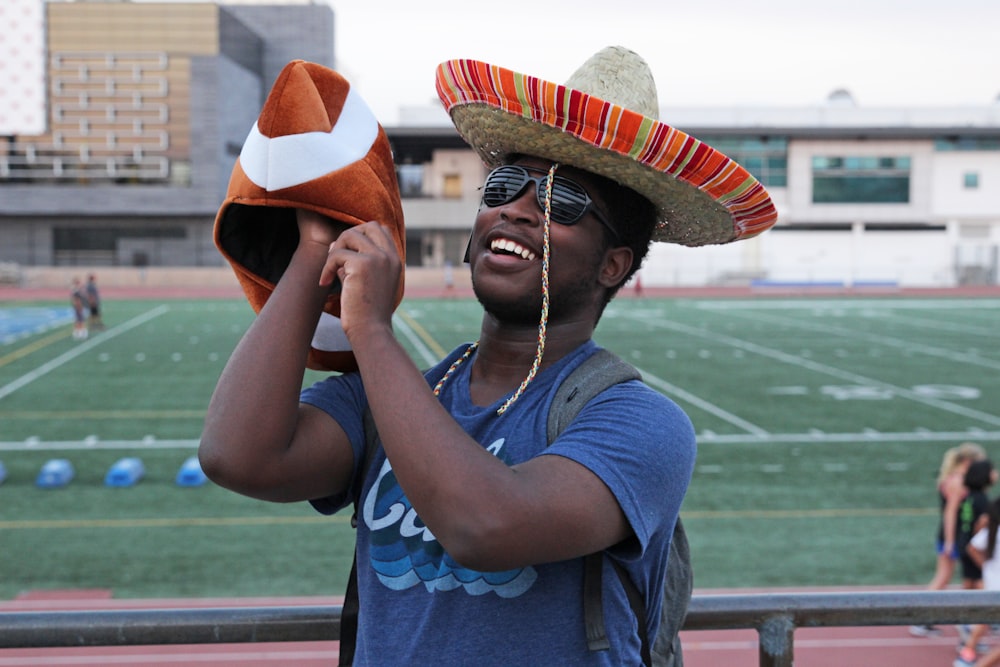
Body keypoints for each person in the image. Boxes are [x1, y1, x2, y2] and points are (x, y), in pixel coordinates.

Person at [201, 48, 777, 664]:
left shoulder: (641, 425)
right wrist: (315, 245)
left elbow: (486, 526)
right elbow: (237, 456)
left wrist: (370, 330)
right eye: (504, 186)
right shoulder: (389, 399)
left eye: (563, 203)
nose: (519, 208)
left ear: (615, 265)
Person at [911, 442, 988, 637]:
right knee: (944, 577)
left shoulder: (953, 477)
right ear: (968, 461)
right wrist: (950, 541)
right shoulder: (958, 481)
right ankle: (921, 620)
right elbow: (950, 513)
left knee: (952, 578)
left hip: (950, 535)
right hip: (951, 535)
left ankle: (964, 619)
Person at [955, 496, 1000, 667]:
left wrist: (985, 566)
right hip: (997, 589)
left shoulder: (991, 531)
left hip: (991, 587)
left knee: (983, 623)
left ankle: (966, 654)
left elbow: (971, 547)